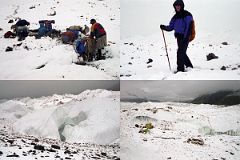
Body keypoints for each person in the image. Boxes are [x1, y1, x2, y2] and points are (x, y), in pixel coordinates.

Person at [160, 0, 193, 73]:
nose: (177, 7)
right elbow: (171, 27)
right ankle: (189, 66)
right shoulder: (175, 17)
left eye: (179, 5)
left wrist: (186, 37)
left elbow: (188, 26)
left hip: (185, 37)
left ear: (182, 6)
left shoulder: (187, 15)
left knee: (180, 53)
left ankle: (180, 70)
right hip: (178, 37)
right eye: (176, 5)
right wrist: (164, 27)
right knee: (182, 52)